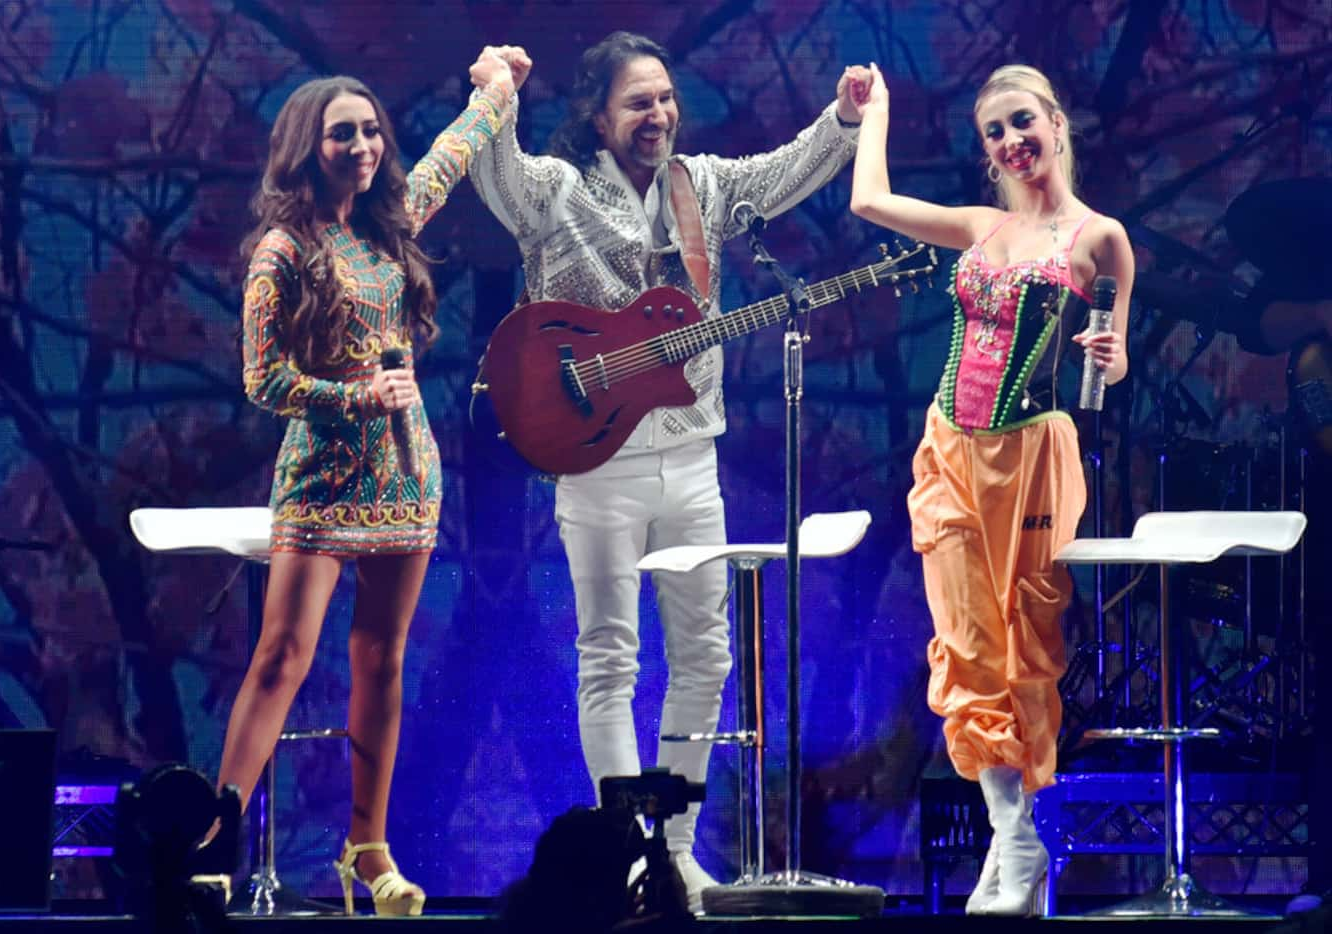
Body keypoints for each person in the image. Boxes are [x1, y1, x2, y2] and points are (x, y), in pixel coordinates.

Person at [467, 32, 866, 912]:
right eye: (637, 103)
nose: (658, 115)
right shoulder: (564, 191)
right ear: (600, 118)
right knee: (609, 656)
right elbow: (500, 181)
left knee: (707, 656)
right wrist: (497, 98)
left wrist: (841, 119)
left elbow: (782, 173)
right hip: (595, 461)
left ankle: (673, 853)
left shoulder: (704, 187)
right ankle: (621, 862)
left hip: (692, 457)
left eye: (665, 98)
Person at [225, 56, 515, 916]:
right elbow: (262, 380)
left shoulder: (389, 228)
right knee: (282, 657)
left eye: (371, 130)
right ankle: (208, 841)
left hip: (406, 472)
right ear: (306, 148)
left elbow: (450, 157)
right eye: (341, 132)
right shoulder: (283, 249)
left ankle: (368, 848)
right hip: (321, 475)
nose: (362, 145)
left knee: (383, 658)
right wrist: (355, 395)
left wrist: (496, 91)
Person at [849, 63, 1134, 915]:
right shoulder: (982, 225)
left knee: (1025, 647)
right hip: (950, 448)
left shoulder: (1100, 238)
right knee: (967, 640)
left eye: (1023, 123)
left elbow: (1110, 358)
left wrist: (1111, 357)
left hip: (1034, 457)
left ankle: (1017, 841)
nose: (1012, 142)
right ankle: (1012, 838)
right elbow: (869, 202)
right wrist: (879, 113)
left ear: (1054, 121)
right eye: (995, 133)